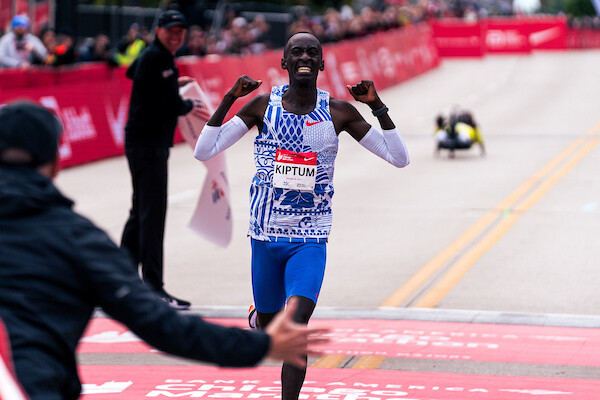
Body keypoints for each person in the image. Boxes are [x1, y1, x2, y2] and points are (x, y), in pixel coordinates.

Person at [0, 101, 329, 400]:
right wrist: (260, 345)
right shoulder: (75, 239)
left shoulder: (75, 237)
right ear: (56, 163)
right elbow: (159, 324)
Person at [194, 32, 409, 400]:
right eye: (297, 52)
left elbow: (398, 157)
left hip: (309, 238)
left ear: (322, 63)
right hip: (265, 235)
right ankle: (259, 317)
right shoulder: (262, 107)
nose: (305, 57)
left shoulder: (338, 112)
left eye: (312, 52)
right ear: (285, 62)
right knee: (270, 329)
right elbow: (204, 149)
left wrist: (377, 106)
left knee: (294, 329)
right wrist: (230, 98)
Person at [121, 9, 204, 309]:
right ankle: (153, 288)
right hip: (149, 145)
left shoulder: (153, 56)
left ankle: (120, 280)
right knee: (152, 215)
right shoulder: (159, 58)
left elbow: (133, 72)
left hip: (141, 143)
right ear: (158, 31)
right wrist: (188, 102)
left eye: (180, 32)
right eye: (171, 31)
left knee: (141, 212)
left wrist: (170, 83)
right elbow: (174, 105)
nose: (176, 36)